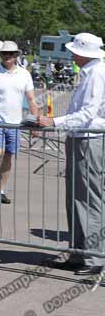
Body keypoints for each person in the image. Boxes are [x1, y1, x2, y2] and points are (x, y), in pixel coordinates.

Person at [39, 33, 105, 276]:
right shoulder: (92, 72)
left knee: (88, 199)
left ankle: (93, 256)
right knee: (77, 198)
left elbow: (87, 114)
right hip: (81, 138)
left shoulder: (97, 74)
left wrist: (54, 121)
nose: (72, 54)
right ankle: (80, 252)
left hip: (89, 140)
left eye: (74, 50)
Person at [0, 41, 38, 205]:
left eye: (11, 54)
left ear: (16, 55)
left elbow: (32, 100)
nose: (7, 57)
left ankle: (1, 190)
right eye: (4, 54)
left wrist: (35, 122)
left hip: (15, 121)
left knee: (9, 155)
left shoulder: (25, 74)